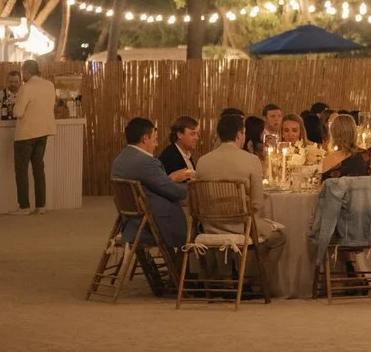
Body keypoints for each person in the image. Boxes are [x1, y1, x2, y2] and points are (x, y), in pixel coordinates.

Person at [194, 111, 286, 261]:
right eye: (243, 133)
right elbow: (256, 204)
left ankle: (232, 274)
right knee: (279, 237)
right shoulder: (250, 160)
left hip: (209, 226)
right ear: (239, 134)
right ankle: (257, 278)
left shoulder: (202, 161)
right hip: (242, 226)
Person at [110, 117, 192, 249]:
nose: (157, 144)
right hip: (152, 225)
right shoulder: (147, 162)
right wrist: (190, 184)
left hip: (131, 223)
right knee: (196, 224)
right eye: (155, 139)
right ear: (145, 138)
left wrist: (170, 179)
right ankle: (185, 269)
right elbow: (176, 192)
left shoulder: (119, 161)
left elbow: (154, 185)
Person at [12, 59, 57, 214]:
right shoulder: (49, 85)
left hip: (26, 133)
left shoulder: (26, 88)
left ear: (26, 71)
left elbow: (18, 112)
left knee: (21, 170)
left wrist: (14, 107)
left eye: (22, 71)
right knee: (38, 169)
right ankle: (41, 205)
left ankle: (24, 206)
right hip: (44, 131)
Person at [320, 114, 371, 180]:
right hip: (361, 190)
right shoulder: (365, 155)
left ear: (333, 134)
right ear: (354, 132)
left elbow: (325, 187)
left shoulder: (329, 160)